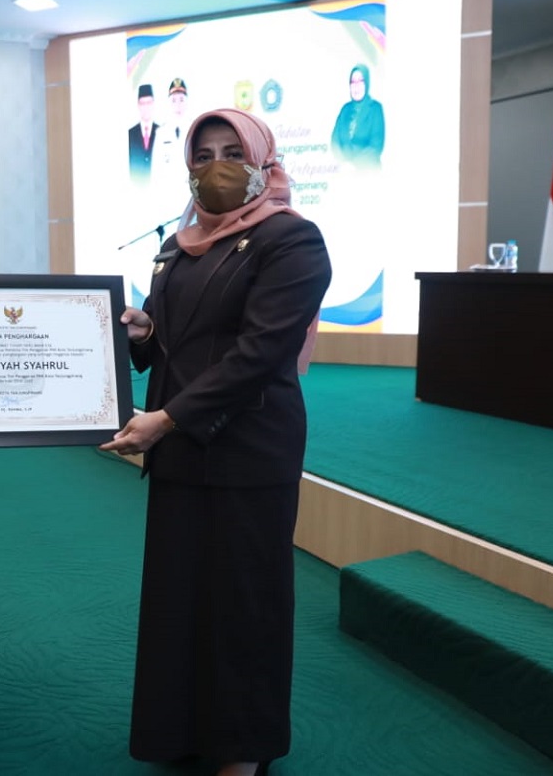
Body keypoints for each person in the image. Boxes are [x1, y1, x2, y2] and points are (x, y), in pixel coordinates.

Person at [101, 109, 332, 776]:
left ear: (263, 158)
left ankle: (242, 749)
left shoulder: (292, 240)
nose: (216, 167)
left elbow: (260, 353)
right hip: (181, 451)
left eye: (233, 152)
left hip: (248, 451)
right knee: (180, 598)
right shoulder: (180, 244)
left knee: (244, 603)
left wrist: (168, 418)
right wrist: (144, 332)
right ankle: (181, 730)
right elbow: (171, 338)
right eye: (202, 156)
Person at [330, 63, 385, 167]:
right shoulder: (345, 109)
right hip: (344, 171)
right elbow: (335, 140)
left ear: (367, 83)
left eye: (360, 81)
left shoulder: (375, 108)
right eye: (353, 82)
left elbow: (376, 146)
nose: (356, 86)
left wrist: (354, 165)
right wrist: (343, 163)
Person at [129, 83, 160, 183]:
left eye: (149, 103)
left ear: (153, 104)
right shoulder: (129, 134)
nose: (146, 107)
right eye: (143, 103)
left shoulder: (162, 132)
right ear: (138, 105)